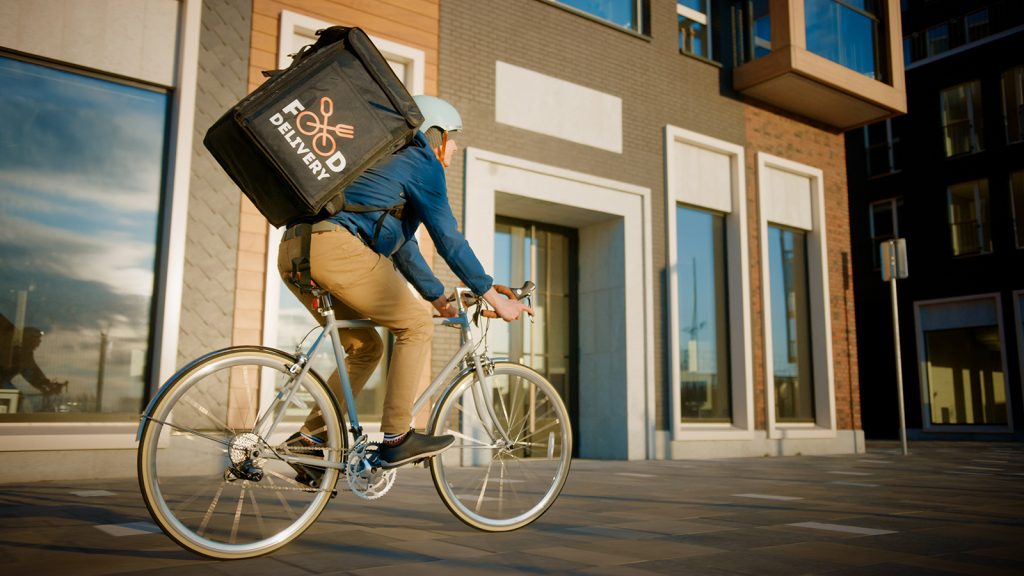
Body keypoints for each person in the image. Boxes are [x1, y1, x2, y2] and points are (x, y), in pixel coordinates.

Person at [277, 95, 532, 475]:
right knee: (414, 323)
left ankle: (311, 439)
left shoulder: (389, 166)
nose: (456, 146)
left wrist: (440, 297)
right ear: (434, 134)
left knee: (365, 348)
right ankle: (397, 438)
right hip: (335, 250)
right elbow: (450, 240)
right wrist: (494, 295)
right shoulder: (422, 162)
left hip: (296, 252)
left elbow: (403, 248)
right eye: (452, 136)